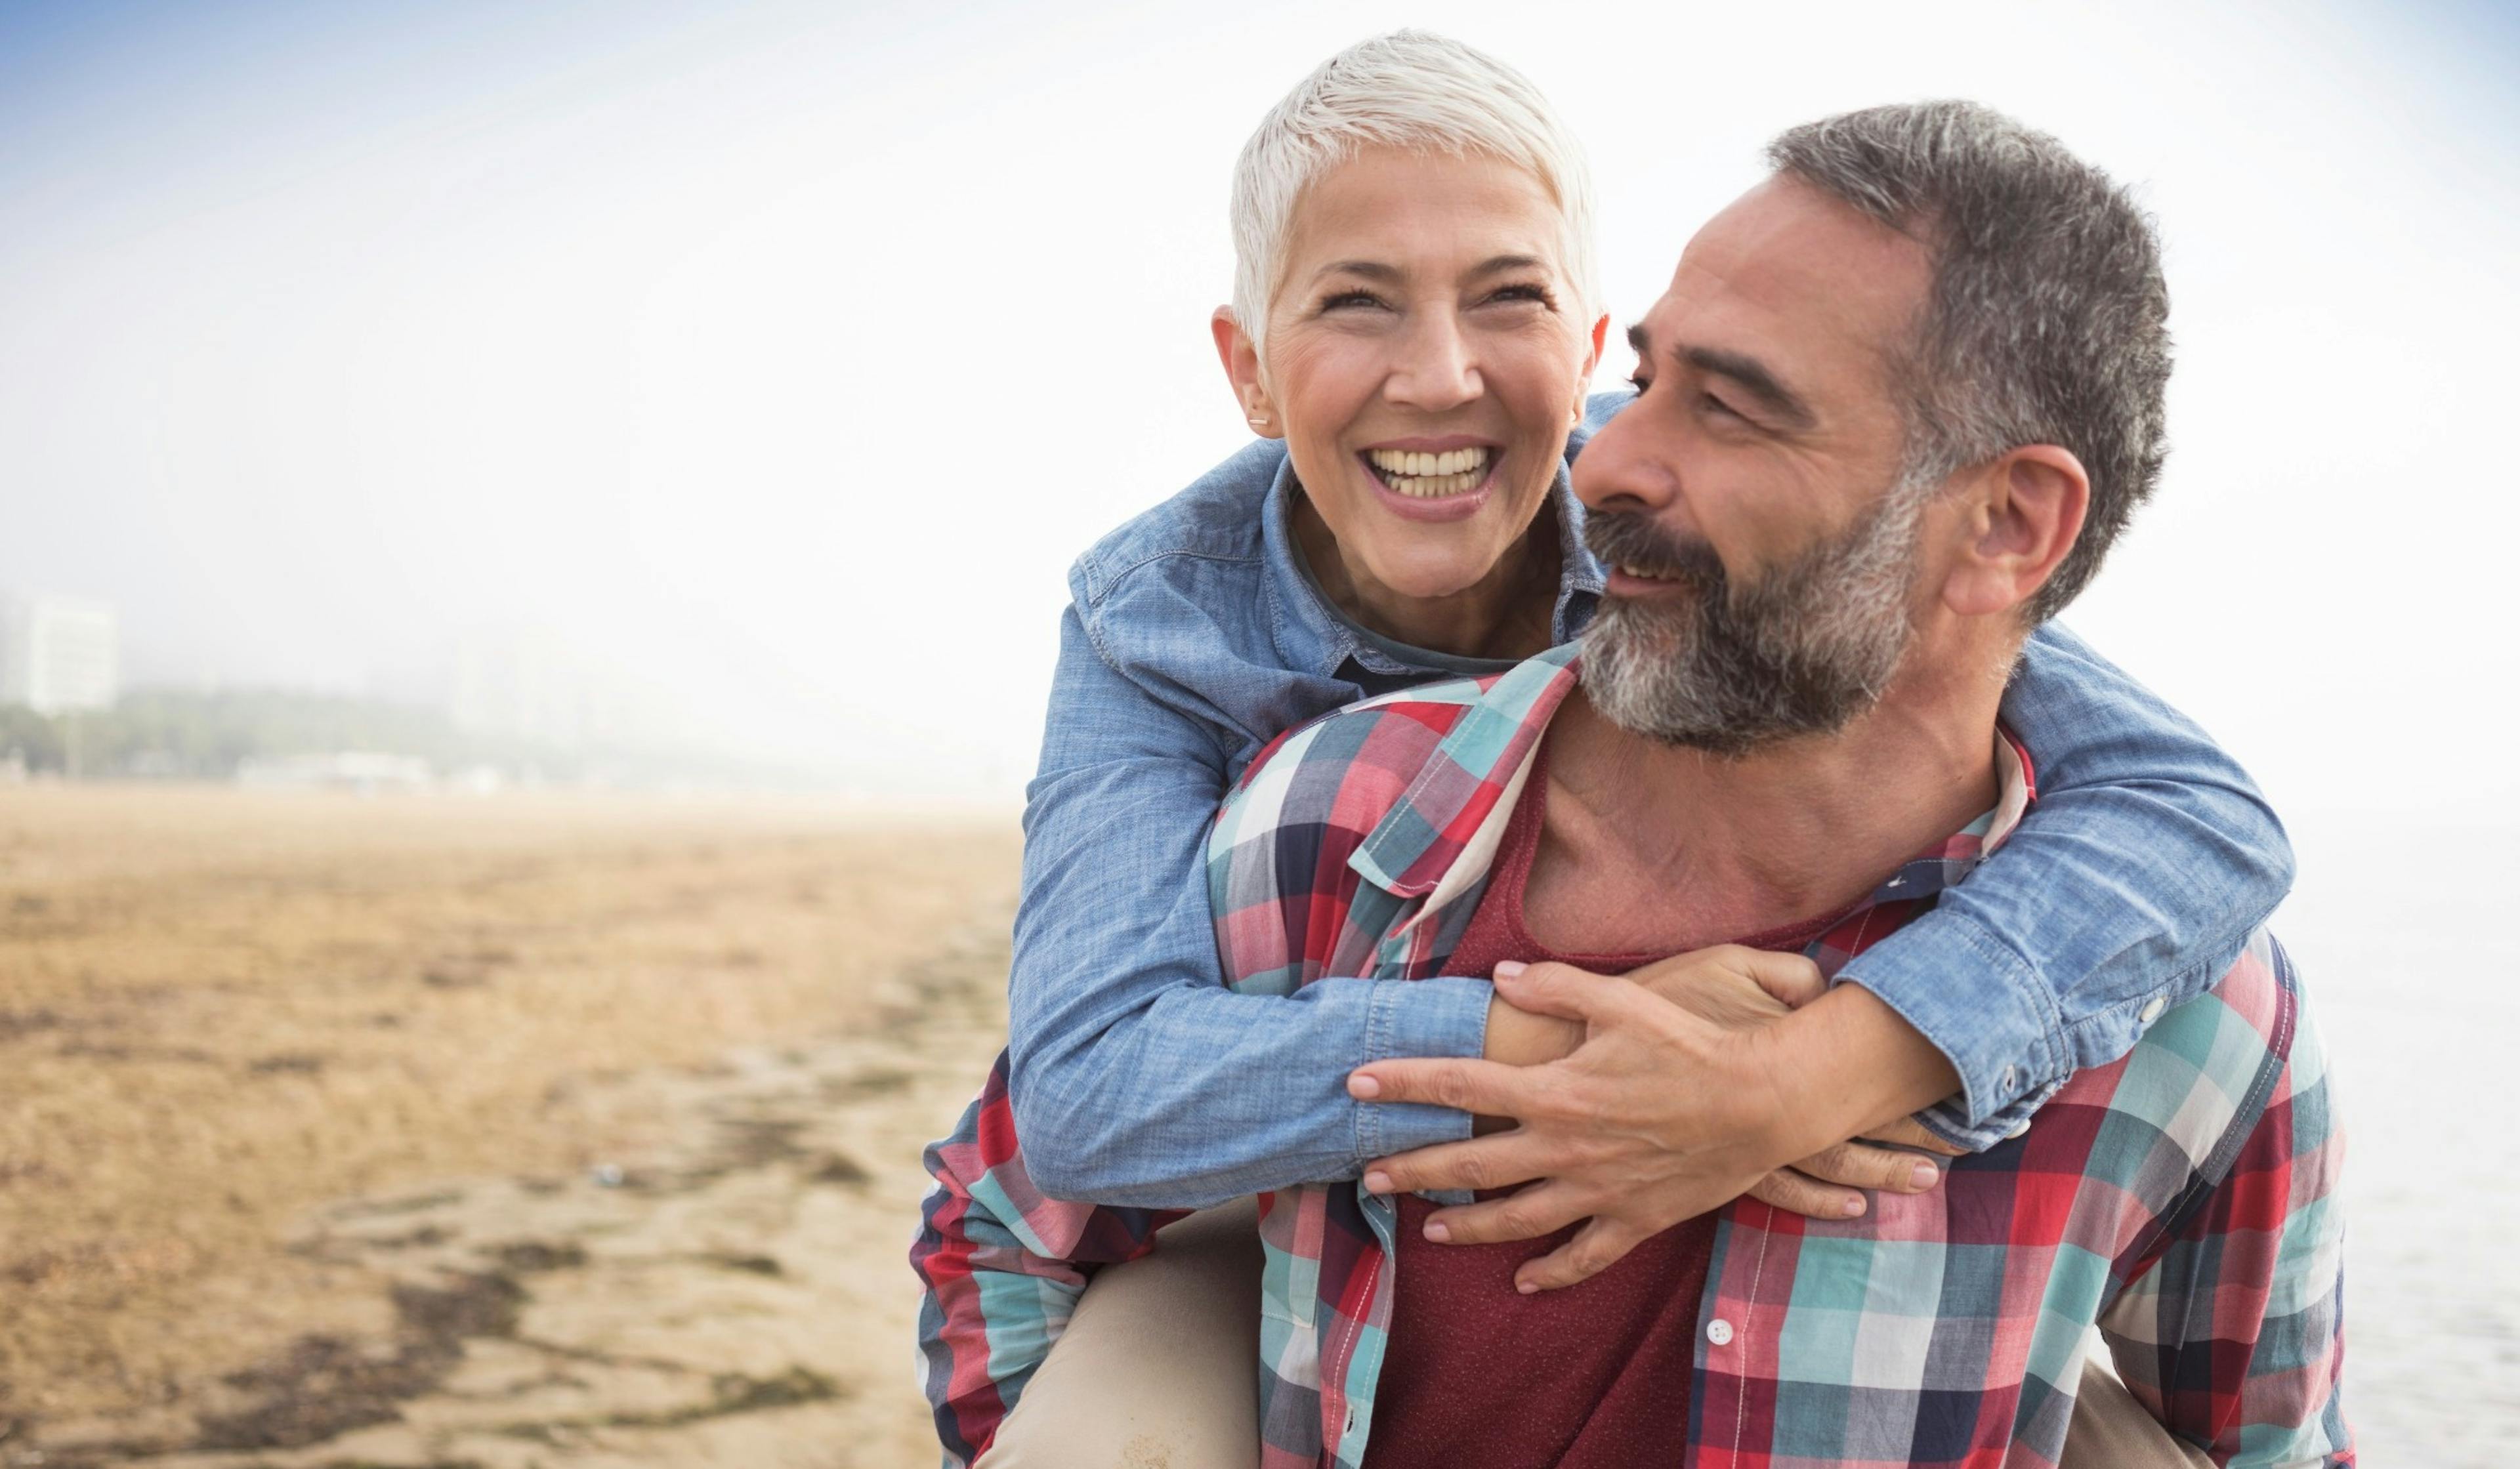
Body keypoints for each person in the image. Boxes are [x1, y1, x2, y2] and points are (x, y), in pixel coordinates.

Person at [914, 34, 2304, 1468]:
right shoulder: (1164, 633)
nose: (1441, 377)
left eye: (1507, 299)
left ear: (1583, 344)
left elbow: (2190, 810)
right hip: (1266, 1171)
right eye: (1355, 303)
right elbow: (1080, 1100)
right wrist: (1554, 1043)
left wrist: (1798, 1077)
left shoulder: (1681, 527)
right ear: (1251, 372)